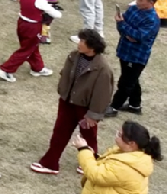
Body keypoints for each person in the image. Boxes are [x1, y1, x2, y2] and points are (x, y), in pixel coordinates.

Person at [32, 28, 116, 176]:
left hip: (85, 107)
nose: (79, 43)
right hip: (67, 102)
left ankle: (90, 162)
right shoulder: (73, 56)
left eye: (83, 41)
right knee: (60, 132)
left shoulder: (102, 69)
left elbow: (102, 95)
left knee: (88, 136)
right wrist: (63, 90)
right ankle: (50, 163)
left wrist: (93, 115)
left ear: (92, 47)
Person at [76, 120, 161, 194]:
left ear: (131, 144)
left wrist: (83, 150)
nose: (116, 135)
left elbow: (96, 174)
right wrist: (92, 155)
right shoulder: (130, 155)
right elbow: (110, 168)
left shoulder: (127, 166)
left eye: (120, 134)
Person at [0, 0, 64, 82]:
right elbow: (57, 15)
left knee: (32, 47)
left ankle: (37, 68)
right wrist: (52, 7)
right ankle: (6, 70)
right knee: (26, 50)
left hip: (22, 24)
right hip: (33, 27)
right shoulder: (39, 0)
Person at [108, 0, 161, 118]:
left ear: (151, 3)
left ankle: (114, 107)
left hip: (136, 56)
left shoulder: (152, 20)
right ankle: (134, 105)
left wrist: (125, 28)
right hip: (124, 50)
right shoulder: (133, 9)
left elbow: (137, 36)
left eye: (141, 0)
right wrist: (123, 28)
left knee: (125, 82)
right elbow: (123, 26)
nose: (137, 1)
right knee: (132, 79)